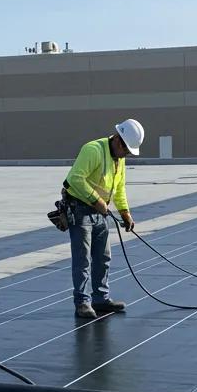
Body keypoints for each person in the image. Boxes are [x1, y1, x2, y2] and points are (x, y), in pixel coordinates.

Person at [61, 119, 144, 319]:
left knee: (103, 257)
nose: (126, 155)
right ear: (118, 139)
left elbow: (119, 187)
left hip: (100, 213)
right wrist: (96, 200)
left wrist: (125, 212)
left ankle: (100, 299)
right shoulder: (93, 150)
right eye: (126, 150)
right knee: (82, 259)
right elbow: (75, 179)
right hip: (80, 210)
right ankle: (82, 302)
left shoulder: (119, 159)